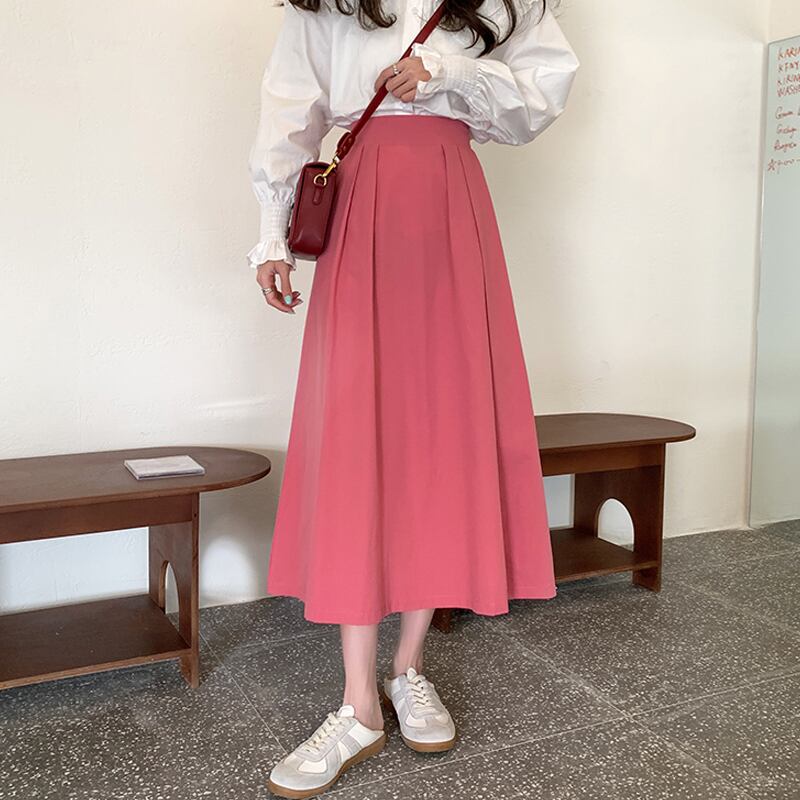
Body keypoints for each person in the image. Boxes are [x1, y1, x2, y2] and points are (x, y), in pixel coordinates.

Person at [247, 0, 579, 796]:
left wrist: (448, 70)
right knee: (358, 436)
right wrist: (271, 233)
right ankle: (357, 703)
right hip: (364, 207)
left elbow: (542, 95)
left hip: (452, 205)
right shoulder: (325, 4)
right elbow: (290, 106)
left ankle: (407, 668)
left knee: (443, 435)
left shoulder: (501, 2)